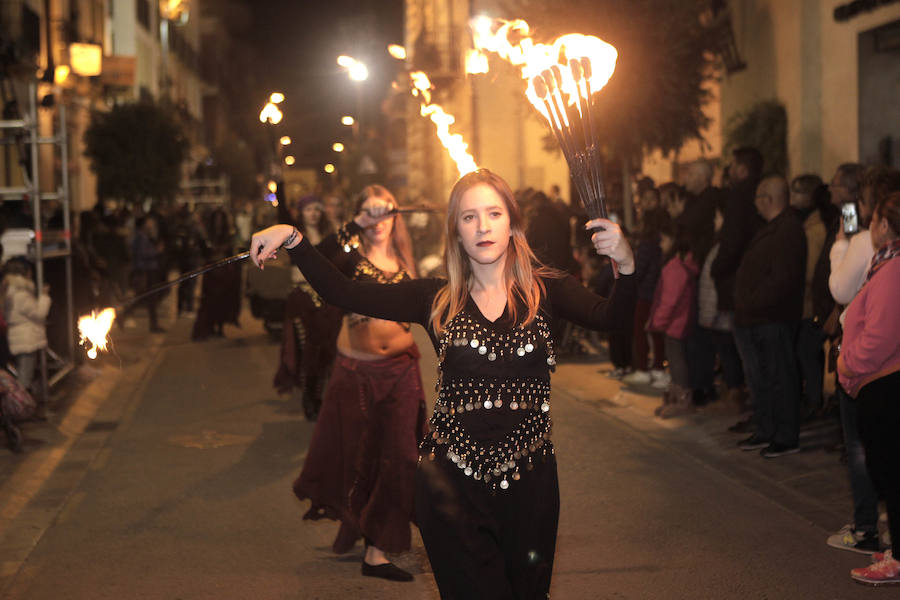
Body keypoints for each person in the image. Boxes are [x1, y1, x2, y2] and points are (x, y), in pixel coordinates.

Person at [251, 169, 636, 598]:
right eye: (469, 217)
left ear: (513, 223)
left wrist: (627, 264)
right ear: (455, 229)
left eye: (493, 213)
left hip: (531, 486)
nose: (483, 226)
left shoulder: (549, 290)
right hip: (451, 488)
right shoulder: (434, 298)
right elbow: (342, 290)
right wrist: (292, 237)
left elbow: (614, 318)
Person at [287, 186, 427, 582]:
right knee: (358, 460)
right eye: (370, 212)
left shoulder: (405, 258)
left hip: (401, 371)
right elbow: (316, 263)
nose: (378, 220)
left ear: (396, 217)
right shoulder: (347, 260)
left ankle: (377, 549)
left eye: (385, 212)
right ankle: (365, 532)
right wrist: (354, 225)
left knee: (401, 456)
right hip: (356, 375)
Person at [825, 166, 900, 556]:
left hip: (877, 376)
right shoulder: (886, 260)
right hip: (880, 373)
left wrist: (847, 364)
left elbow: (876, 332)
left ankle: (869, 528)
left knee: (868, 453)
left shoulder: (888, 266)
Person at [733, 175, 807, 458]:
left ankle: (785, 435)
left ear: (767, 199)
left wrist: (752, 303)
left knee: (780, 377)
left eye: (757, 198)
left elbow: (783, 279)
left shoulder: (787, 230)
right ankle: (766, 430)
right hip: (755, 318)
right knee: (761, 379)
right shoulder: (773, 228)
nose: (755, 204)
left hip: (772, 318)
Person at [273, 195, 342, 420]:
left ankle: (324, 397)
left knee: (328, 350)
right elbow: (281, 213)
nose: (313, 213)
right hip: (302, 296)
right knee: (308, 350)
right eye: (309, 209)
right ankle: (309, 399)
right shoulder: (293, 236)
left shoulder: (328, 236)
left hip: (326, 298)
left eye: (317, 209)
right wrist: (279, 184)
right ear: (301, 212)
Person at [648, 220, 698, 417]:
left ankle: (682, 401)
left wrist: (657, 322)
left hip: (674, 324)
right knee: (676, 361)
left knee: (677, 363)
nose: (661, 244)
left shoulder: (674, 268)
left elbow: (669, 300)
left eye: (664, 240)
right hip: (679, 323)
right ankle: (677, 398)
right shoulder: (682, 265)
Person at [2, 258, 51, 401]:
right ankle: (21, 405)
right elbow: (40, 313)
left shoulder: (10, 292)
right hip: (26, 339)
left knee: (24, 374)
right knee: (25, 377)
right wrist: (44, 296)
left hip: (19, 337)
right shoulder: (20, 295)